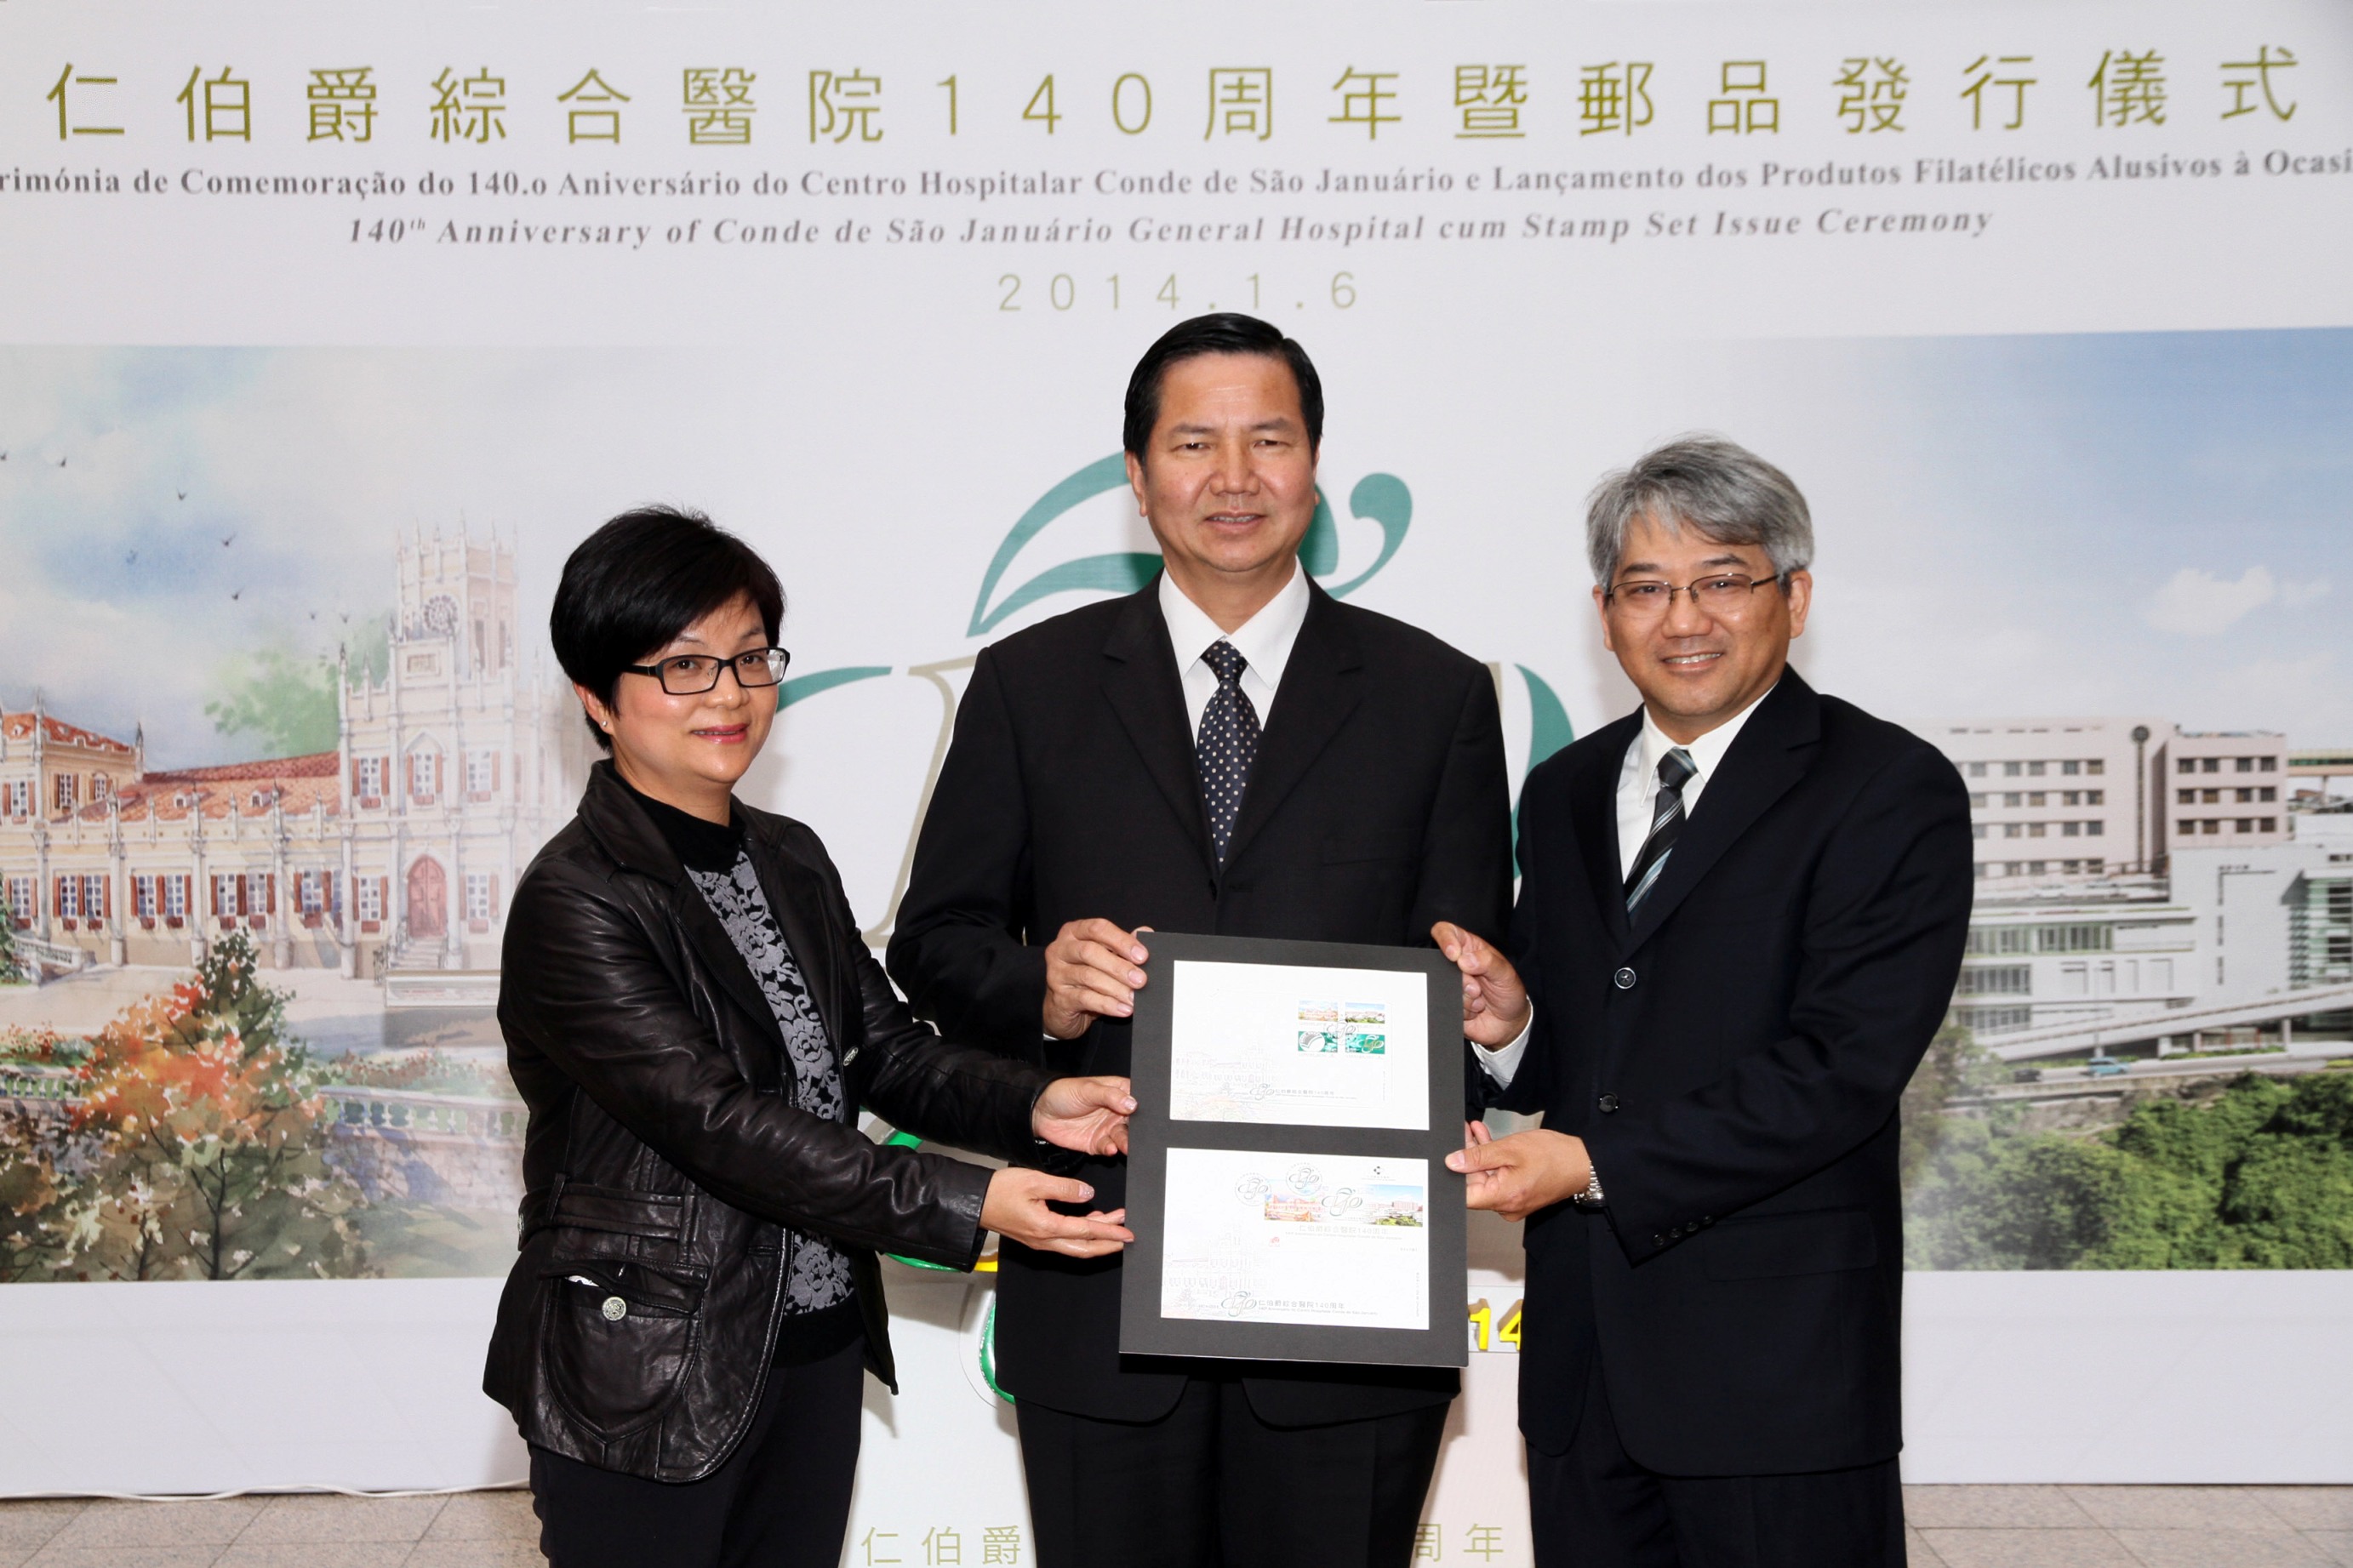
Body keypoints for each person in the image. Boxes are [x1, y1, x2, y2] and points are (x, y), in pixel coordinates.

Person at [887, 313, 1512, 1568]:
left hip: (1350, 1304)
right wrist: (1044, 988)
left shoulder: (1434, 695)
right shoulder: (1028, 684)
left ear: (1314, 464)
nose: (1234, 476)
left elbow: (1468, 979)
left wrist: (1489, 1019)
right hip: (1102, 1285)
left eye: (1267, 439)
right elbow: (934, 942)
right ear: (1137, 475)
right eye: (1192, 443)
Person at [485, 506, 1139, 1568]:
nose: (729, 694)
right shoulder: (576, 899)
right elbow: (721, 1125)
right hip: (650, 1363)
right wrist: (972, 1202)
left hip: (812, 1343)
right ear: (596, 698)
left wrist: (1034, 1102)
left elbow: (887, 1052)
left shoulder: (786, 855)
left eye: (750, 658)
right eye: (684, 665)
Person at [1435, 436, 1973, 1568]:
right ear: (1604, 613)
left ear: (1794, 597)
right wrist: (1513, 1023)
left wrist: (1591, 1163)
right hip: (1584, 1371)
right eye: (1645, 588)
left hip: (1777, 1376)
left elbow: (1841, 1068)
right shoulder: (1565, 788)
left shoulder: (1887, 786)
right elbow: (1588, 1046)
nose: (1683, 618)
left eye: (1721, 579)